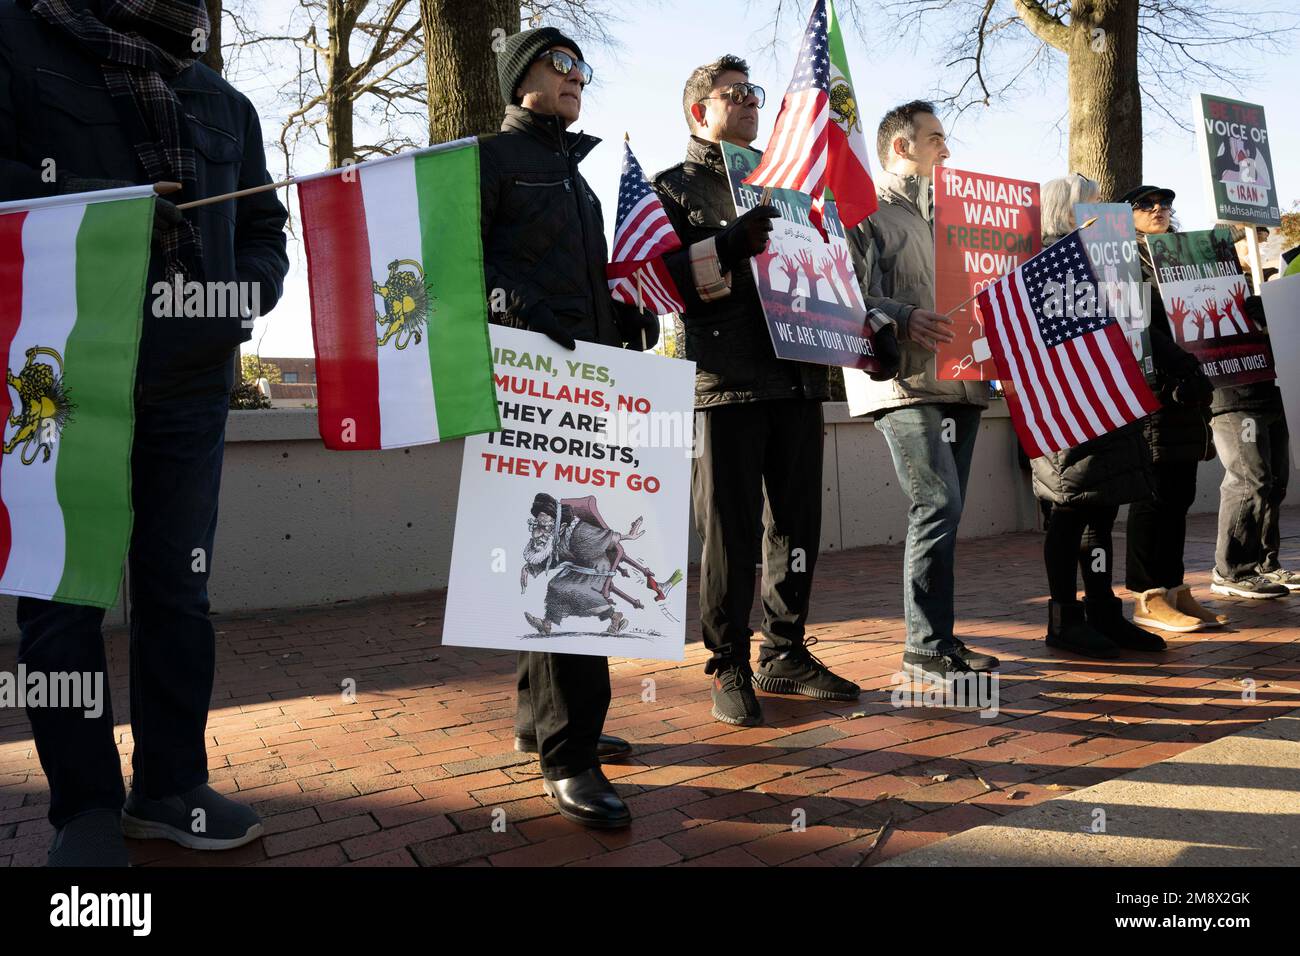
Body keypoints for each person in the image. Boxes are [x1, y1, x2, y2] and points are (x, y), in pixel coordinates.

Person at [1, 0, 289, 865]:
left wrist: (232, 303)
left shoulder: (221, 99)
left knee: (177, 589)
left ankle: (170, 784)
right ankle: (82, 809)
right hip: (59, 373)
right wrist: (109, 212)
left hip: (190, 378)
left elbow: (268, 230)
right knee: (63, 592)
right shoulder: (16, 38)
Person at [651, 55, 882, 727]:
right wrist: (722, 246)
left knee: (798, 524)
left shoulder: (792, 187)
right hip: (725, 383)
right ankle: (727, 662)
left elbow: (830, 276)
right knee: (730, 532)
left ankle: (785, 651)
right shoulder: (673, 188)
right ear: (700, 111)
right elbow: (659, 284)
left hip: (800, 375)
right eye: (736, 95)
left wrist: (870, 332)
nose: (753, 103)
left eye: (756, 93)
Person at [482, 26, 658, 828]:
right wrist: (520, 309)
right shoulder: (489, 159)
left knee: (550, 551)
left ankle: (539, 722)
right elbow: (460, 266)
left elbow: (587, 279)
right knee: (574, 558)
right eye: (562, 64)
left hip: (586, 381)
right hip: (531, 387)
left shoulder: (576, 176)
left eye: (584, 68)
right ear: (522, 78)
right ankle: (571, 755)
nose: (577, 77)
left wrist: (625, 315)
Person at [846, 100, 999, 685]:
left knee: (946, 511)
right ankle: (924, 647)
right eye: (936, 138)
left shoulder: (960, 216)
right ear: (901, 146)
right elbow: (848, 292)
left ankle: (940, 640)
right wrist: (904, 316)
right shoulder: (863, 211)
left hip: (961, 383)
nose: (947, 148)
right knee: (937, 503)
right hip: (902, 384)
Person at [1032, 175, 1165, 657]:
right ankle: (1064, 619)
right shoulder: (1039, 262)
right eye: (1091, 206)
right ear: (1065, 212)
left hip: (1110, 399)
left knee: (1103, 511)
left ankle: (1105, 611)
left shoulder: (1107, 260)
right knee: (1069, 512)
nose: (1101, 215)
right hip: (1068, 406)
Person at [1124, 185, 1232, 630]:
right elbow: (1136, 324)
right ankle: (1146, 595)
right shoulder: (1122, 262)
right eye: (1147, 205)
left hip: (1191, 389)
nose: (1159, 210)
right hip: (1153, 390)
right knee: (1155, 492)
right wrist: (1178, 364)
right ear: (1125, 215)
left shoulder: (1181, 257)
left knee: (1180, 492)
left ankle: (1173, 588)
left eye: (1166, 204)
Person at [1207, 223, 1295, 598]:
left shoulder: (1267, 281)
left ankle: (1265, 562)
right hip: (1235, 398)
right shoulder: (1211, 287)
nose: (1258, 246)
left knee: (1274, 482)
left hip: (1271, 392)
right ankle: (1232, 568)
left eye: (1260, 238)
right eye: (1250, 240)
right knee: (1249, 479)